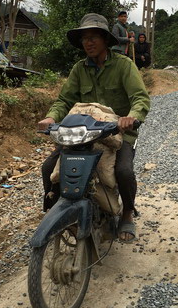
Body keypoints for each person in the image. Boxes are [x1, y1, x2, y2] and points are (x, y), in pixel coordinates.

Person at [37, 13, 150, 242]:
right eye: (84, 38)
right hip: (83, 133)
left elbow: (140, 98)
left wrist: (130, 117)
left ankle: (127, 213)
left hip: (118, 133)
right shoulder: (79, 69)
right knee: (49, 167)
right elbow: (64, 101)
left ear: (105, 40)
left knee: (124, 171)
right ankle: (56, 209)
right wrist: (51, 117)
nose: (87, 42)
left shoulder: (124, 66)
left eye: (93, 37)